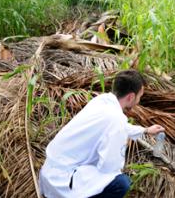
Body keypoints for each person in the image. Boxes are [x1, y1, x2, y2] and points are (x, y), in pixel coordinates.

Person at [39, 69, 165, 198]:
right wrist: (122, 146)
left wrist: (145, 130)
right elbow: (108, 166)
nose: (138, 101)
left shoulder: (102, 101)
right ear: (131, 96)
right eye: (140, 97)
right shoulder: (115, 119)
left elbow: (119, 126)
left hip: (50, 172)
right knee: (121, 183)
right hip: (62, 182)